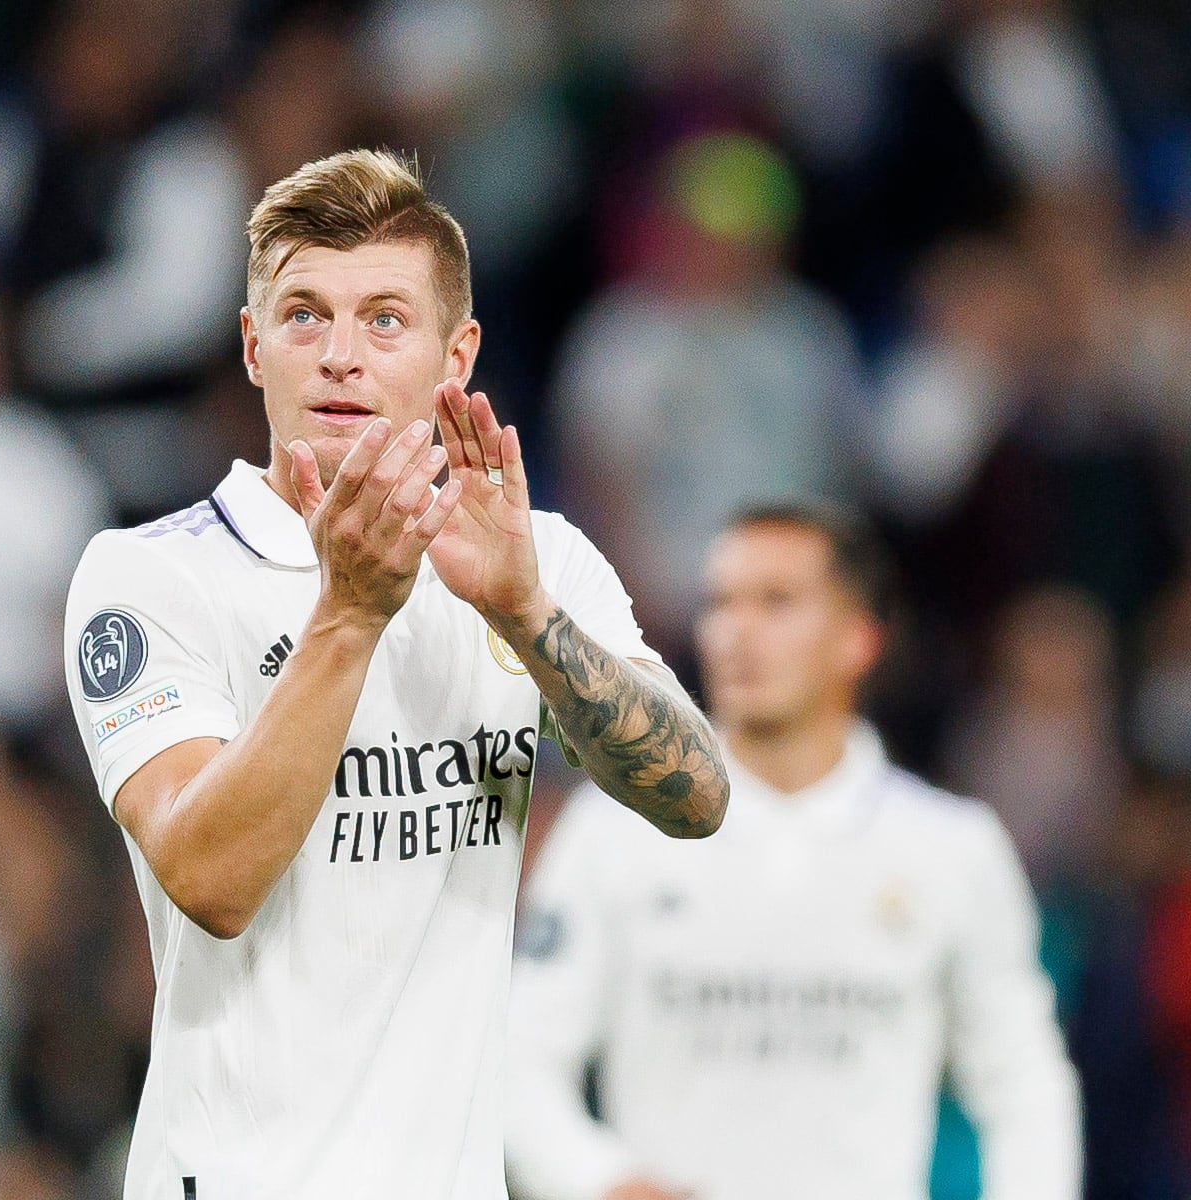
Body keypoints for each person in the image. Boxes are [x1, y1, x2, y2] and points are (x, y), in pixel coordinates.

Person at [61, 149, 728, 1200]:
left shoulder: (531, 559)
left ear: (453, 355)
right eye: (302, 317)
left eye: (383, 319)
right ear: (252, 349)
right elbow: (210, 879)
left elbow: (699, 797)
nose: (338, 356)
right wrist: (352, 613)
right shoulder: (152, 575)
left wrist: (524, 613)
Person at [505, 504, 1082, 1200]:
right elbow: (519, 1063)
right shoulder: (611, 833)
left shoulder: (954, 848)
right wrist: (604, 1182)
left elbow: (1023, 1085)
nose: (737, 632)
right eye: (720, 603)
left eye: (778, 603)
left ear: (859, 637)